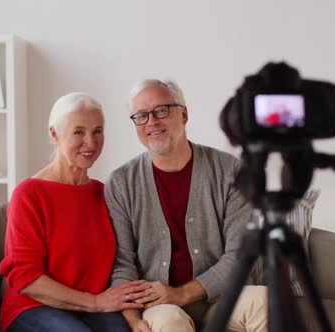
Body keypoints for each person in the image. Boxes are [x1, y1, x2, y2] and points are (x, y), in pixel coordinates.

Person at [104, 80, 268, 332]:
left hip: (222, 298)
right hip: (160, 307)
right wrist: (133, 319)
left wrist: (182, 294)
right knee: (169, 323)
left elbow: (240, 255)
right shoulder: (120, 183)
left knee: (264, 302)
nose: (152, 122)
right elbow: (122, 264)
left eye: (162, 110)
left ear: (184, 114)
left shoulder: (231, 171)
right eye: (141, 115)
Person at [0, 92, 149, 332]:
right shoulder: (29, 194)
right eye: (79, 132)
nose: (90, 142)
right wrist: (95, 302)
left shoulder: (105, 193)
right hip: (33, 307)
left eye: (97, 131)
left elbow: (122, 262)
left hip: (91, 309)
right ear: (54, 134)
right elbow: (26, 278)